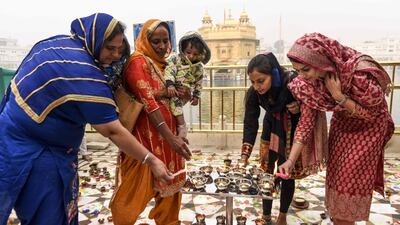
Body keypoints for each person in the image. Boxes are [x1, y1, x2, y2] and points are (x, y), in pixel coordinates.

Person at [0, 13, 173, 225]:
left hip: (9, 128)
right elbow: (112, 130)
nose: (116, 55)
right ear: (96, 39)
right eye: (110, 48)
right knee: (48, 211)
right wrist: (151, 160)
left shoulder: (55, 44)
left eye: (120, 49)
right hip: (39, 151)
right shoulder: (85, 75)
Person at [279, 33, 394, 225]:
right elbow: (306, 122)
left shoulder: (360, 75)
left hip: (369, 131)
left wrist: (338, 95)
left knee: (351, 182)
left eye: (305, 69)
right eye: (297, 70)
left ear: (322, 61)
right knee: (337, 180)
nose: (302, 76)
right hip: (343, 126)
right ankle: (340, 218)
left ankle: (344, 219)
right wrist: (290, 160)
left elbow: (372, 115)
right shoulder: (311, 83)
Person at [110, 19, 192, 225]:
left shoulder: (168, 65)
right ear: (145, 39)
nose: (162, 46)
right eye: (156, 41)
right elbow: (148, 102)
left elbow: (172, 101)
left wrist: (185, 94)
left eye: (166, 41)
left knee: (170, 200)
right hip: (143, 144)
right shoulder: (138, 62)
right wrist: (172, 138)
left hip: (168, 143)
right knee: (130, 198)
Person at [240, 53, 325, 225]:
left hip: (293, 130)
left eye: (261, 81)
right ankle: (266, 215)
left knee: (287, 173)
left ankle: (283, 215)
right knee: (266, 172)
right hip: (271, 128)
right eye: (253, 82)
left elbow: (310, 109)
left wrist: (299, 107)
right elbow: (250, 122)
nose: (257, 86)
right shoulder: (254, 93)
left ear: (274, 73)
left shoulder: (292, 83)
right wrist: (244, 155)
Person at [164, 31, 211, 137]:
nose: (191, 56)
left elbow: (198, 82)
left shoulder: (198, 67)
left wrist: (196, 96)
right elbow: (170, 70)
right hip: (173, 88)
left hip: (184, 92)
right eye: (188, 52)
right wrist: (170, 84)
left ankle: (181, 126)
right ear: (183, 50)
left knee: (176, 104)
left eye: (195, 54)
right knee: (175, 104)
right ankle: (181, 125)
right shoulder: (175, 59)